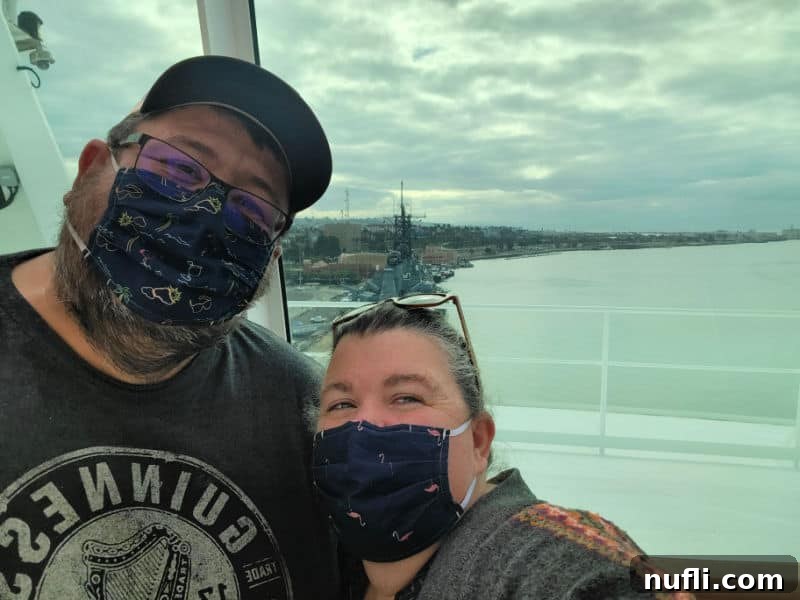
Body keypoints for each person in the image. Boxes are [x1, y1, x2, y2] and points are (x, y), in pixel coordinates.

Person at [0, 55, 339, 599]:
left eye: (251, 212)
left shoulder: (300, 404)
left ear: (269, 258)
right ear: (90, 168)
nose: (204, 212)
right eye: (179, 169)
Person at [311, 294, 694, 600]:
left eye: (407, 397)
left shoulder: (539, 557)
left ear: (479, 441)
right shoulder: (327, 557)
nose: (367, 424)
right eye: (342, 404)